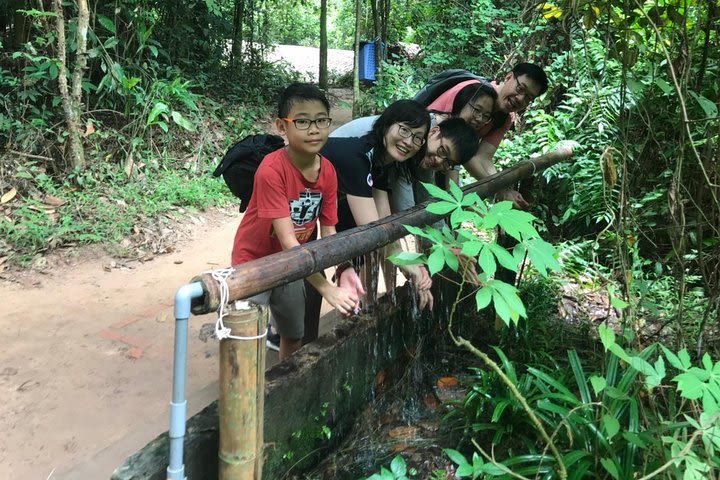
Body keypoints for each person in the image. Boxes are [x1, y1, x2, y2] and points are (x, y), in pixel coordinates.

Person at [230, 82, 363, 360]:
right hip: (254, 262)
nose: (314, 129)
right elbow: (288, 240)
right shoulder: (271, 170)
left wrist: (343, 269)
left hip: (294, 264)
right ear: (282, 126)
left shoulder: (327, 170)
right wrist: (326, 288)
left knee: (293, 334)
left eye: (321, 120)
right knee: (245, 341)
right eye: (302, 121)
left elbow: (328, 232)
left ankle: (282, 386)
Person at [320, 99, 436, 310]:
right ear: (386, 123)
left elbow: (385, 225)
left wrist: (411, 264)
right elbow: (374, 230)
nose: (409, 142)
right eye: (404, 130)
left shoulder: (380, 164)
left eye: (418, 138)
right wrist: (410, 268)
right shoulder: (358, 157)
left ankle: (360, 307)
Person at [426, 63, 549, 207]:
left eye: (528, 98)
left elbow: (483, 157)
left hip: (446, 162)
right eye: (520, 89)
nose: (521, 99)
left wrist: (503, 187)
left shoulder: (505, 118)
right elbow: (456, 146)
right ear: (508, 77)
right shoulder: (472, 91)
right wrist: (499, 189)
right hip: (423, 149)